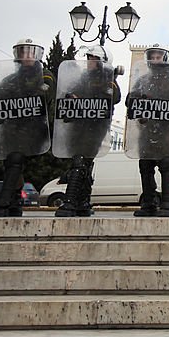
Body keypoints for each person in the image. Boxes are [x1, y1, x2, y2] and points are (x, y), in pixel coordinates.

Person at [0, 38, 55, 217]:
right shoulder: (11, 79)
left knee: (16, 159)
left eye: (31, 52)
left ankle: (3, 202)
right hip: (10, 129)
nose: (27, 56)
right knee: (10, 163)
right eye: (24, 52)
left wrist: (20, 98)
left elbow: (43, 97)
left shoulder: (44, 75)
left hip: (32, 128)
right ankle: (15, 202)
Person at [53, 46, 122, 217]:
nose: (89, 62)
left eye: (93, 59)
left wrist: (107, 80)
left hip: (95, 128)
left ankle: (69, 202)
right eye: (89, 58)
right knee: (85, 164)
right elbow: (70, 93)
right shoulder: (83, 78)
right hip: (79, 126)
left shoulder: (108, 79)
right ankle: (83, 202)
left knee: (80, 161)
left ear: (101, 62)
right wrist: (70, 96)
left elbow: (115, 97)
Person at [126, 43, 169, 217]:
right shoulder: (143, 79)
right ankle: (149, 203)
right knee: (145, 165)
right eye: (152, 56)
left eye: (158, 56)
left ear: (166, 57)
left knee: (166, 164)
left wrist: (154, 98)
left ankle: (168, 203)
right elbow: (131, 102)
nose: (154, 59)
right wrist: (134, 98)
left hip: (167, 129)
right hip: (146, 128)